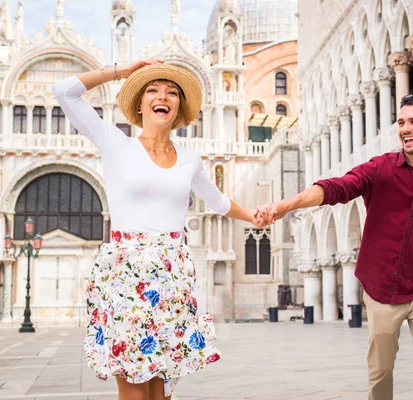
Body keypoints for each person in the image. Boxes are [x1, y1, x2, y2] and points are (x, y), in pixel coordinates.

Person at [53, 59, 265, 400]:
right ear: (140, 103)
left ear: (179, 106)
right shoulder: (116, 144)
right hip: (126, 274)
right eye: (152, 89)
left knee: (158, 388)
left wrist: (255, 216)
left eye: (171, 92)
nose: (162, 95)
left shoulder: (190, 158)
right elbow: (64, 91)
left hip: (172, 274)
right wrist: (122, 72)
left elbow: (219, 202)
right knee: (134, 386)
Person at [258, 93, 413, 400]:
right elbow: (338, 187)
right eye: (401, 122)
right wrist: (289, 204)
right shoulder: (381, 168)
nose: (406, 129)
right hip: (382, 287)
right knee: (381, 372)